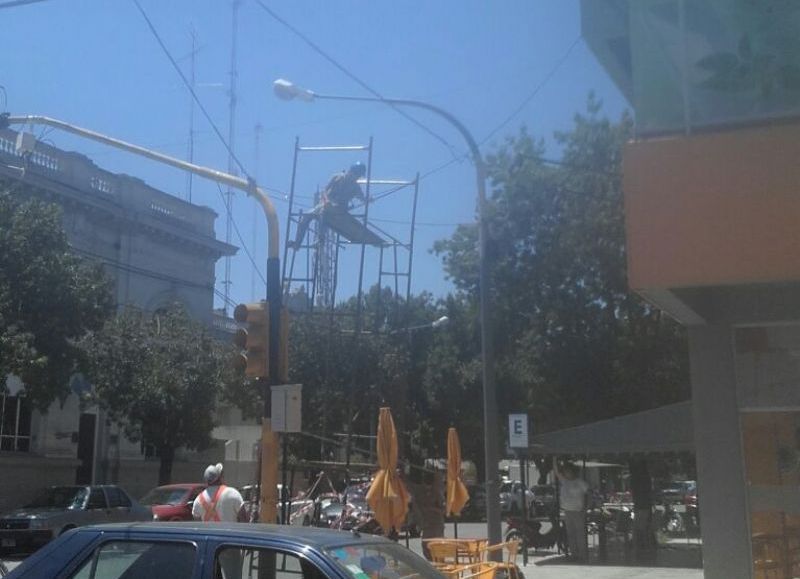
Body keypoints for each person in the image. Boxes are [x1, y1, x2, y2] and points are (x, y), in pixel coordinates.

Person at [289, 162, 367, 249]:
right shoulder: (337, 177)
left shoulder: (355, 187)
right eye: (356, 175)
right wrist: (326, 201)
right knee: (307, 216)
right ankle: (297, 243)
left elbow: (362, 198)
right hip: (325, 204)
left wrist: (368, 199)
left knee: (325, 213)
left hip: (339, 209)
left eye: (358, 176)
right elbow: (325, 191)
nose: (356, 178)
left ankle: (320, 240)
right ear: (351, 172)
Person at [554, 459, 590, 562]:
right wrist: (554, 459)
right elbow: (557, 472)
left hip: (578, 511)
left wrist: (586, 508)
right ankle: (574, 554)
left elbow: (590, 494)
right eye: (565, 471)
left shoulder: (580, 482)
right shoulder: (564, 481)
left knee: (580, 534)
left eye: (568, 471)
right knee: (571, 534)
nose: (566, 473)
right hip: (567, 511)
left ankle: (583, 555)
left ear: (572, 471)